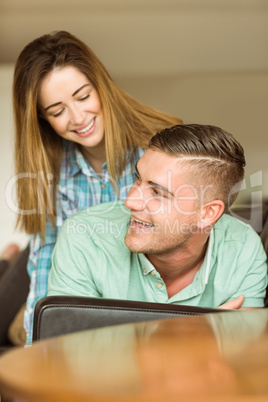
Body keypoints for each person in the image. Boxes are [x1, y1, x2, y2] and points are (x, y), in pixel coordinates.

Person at [13, 31, 183, 345]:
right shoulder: (49, 169)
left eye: (83, 96)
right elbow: (45, 264)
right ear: (42, 118)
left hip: (145, 310)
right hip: (79, 297)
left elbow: (188, 255)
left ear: (100, 86)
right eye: (58, 111)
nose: (78, 118)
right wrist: (35, 346)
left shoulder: (161, 150)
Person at [48, 124, 268, 308]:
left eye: (157, 192)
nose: (130, 201)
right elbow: (70, 354)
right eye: (137, 178)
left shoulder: (243, 248)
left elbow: (241, 355)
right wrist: (199, 333)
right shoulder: (84, 236)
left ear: (207, 213)